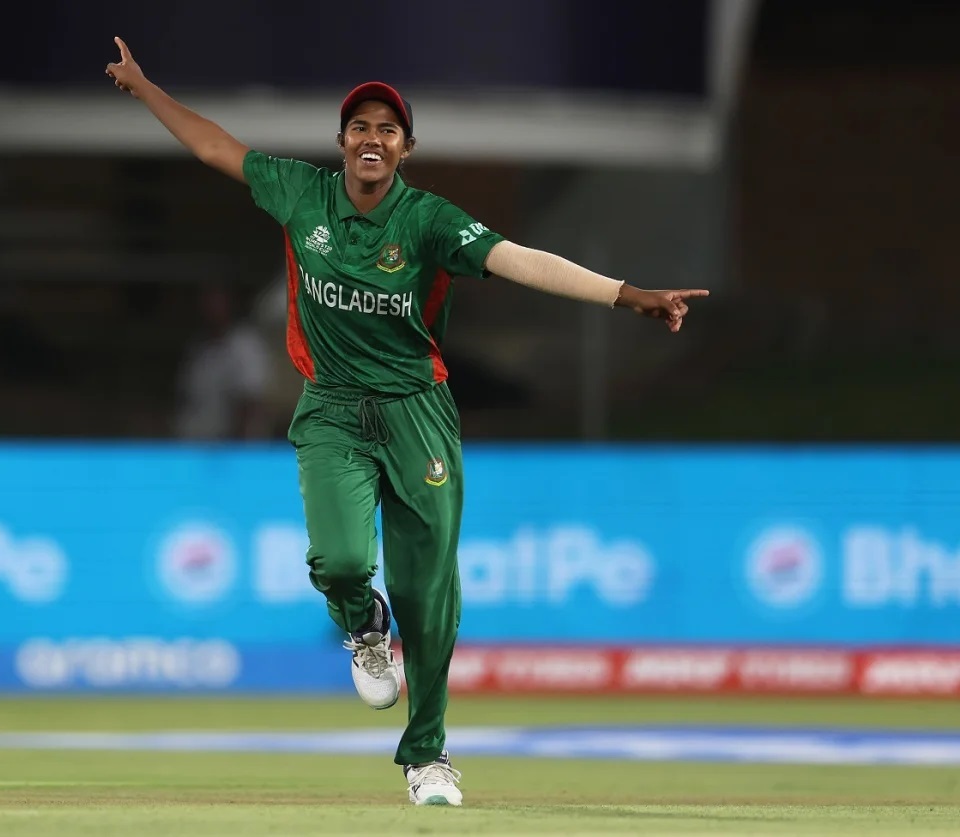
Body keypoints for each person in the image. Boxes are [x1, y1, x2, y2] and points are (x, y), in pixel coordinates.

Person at [106, 37, 708, 807]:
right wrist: (146, 88)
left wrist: (627, 295)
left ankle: (428, 757)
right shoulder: (300, 194)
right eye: (360, 125)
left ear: (405, 149)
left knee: (429, 597)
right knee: (340, 562)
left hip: (417, 414)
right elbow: (213, 146)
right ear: (341, 141)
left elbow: (520, 259)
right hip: (331, 408)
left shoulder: (427, 221)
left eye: (388, 129)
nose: (372, 137)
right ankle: (363, 623)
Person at [173, 283, 272, 440]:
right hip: (190, 441)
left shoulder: (246, 344)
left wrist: (235, 446)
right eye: (206, 299)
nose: (211, 306)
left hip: (227, 445)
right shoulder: (198, 347)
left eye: (216, 299)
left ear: (229, 302)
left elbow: (252, 404)